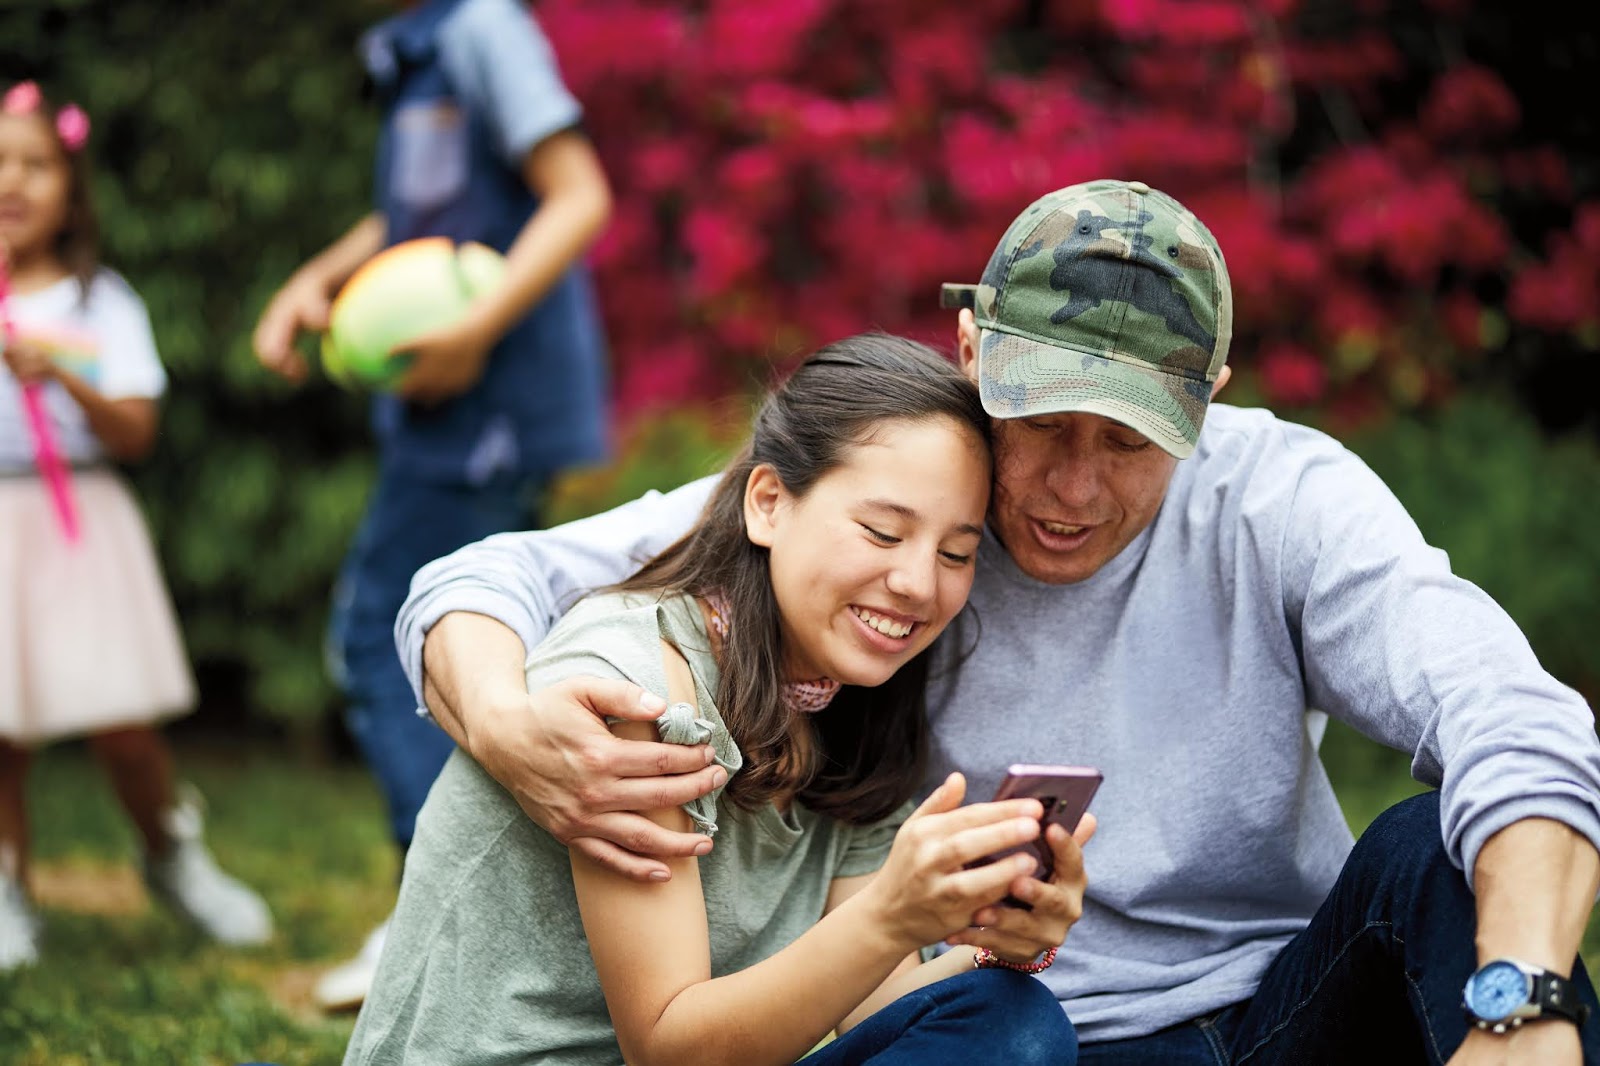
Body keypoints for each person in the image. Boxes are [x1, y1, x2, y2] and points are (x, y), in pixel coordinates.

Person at [398, 179, 1600, 1064]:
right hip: (1035, 1034)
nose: (1074, 488)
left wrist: (1524, 999)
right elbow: (492, 576)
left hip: (1285, 1008)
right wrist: (506, 722)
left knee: (1434, 849)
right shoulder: (888, 497)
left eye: (1126, 439)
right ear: (972, 354)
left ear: (1207, 398)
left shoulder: (1283, 499)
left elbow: (1505, 708)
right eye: (1040, 424)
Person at [344, 335, 1085, 1065]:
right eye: (882, 532)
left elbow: (878, 1017)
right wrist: (891, 915)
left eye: (955, 554)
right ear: (768, 503)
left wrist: (998, 936)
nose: (920, 583)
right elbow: (669, 1049)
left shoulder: (857, 705)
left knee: (1010, 1021)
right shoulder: (634, 683)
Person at [250, 0, 612, 1010]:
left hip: (483, 417)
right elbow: (425, 218)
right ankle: (472, 909)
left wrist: (469, 335)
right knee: (451, 653)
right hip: (446, 419)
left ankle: (433, 911)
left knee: (383, 637)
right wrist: (321, 277)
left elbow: (577, 196)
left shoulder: (480, 28)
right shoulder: (414, 47)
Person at [0, 80, 273, 971]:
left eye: (35, 165)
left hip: (81, 522)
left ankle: (170, 853)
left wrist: (62, 378)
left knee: (121, 719)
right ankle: (8, 887)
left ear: (71, 190)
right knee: (4, 729)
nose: (13, 182)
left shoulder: (100, 304)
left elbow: (137, 430)